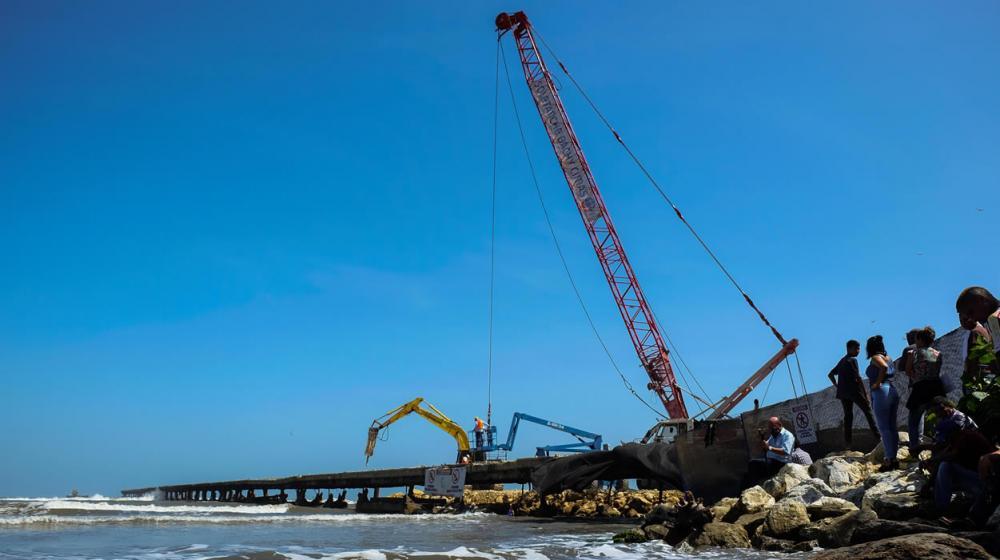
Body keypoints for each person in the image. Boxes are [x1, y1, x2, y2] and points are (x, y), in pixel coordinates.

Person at [828, 339, 880, 447]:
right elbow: (858, 377)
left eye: (859, 348)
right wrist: (865, 393)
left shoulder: (842, 361)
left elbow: (830, 374)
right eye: (856, 348)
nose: (858, 351)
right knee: (868, 411)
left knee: (848, 417)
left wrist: (837, 385)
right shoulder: (852, 360)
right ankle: (879, 437)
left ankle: (848, 443)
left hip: (843, 393)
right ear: (849, 349)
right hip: (854, 390)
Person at [904, 326, 946, 453]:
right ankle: (942, 444)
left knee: (914, 421)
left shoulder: (915, 353)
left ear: (921, 340)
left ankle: (915, 449)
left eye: (917, 340)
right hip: (936, 388)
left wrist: (911, 362)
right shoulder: (938, 354)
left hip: (920, 390)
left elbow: (908, 371)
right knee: (940, 418)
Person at [866, 335, 900, 471]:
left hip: (881, 392)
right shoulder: (889, 357)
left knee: (884, 428)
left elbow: (883, 367)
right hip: (892, 390)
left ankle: (888, 459)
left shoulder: (875, 358)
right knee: (892, 427)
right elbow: (887, 367)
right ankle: (894, 458)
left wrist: (877, 383)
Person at [745, 417, 795, 486]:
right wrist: (762, 440)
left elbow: (785, 451)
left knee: (753, 464)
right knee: (747, 474)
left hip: (781, 463)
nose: (771, 430)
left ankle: (755, 486)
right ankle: (754, 486)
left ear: (779, 425)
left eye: (772, 428)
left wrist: (769, 448)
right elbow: (765, 446)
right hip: (771, 461)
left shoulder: (788, 435)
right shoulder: (774, 435)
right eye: (770, 428)